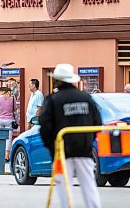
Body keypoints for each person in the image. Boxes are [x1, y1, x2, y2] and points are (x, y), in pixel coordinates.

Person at [40, 63, 102, 208]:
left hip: (61, 152)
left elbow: (45, 127)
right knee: (89, 187)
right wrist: (88, 141)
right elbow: (97, 123)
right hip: (84, 151)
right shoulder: (86, 98)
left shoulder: (53, 100)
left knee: (64, 189)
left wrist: (52, 149)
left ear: (58, 80)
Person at [0, 90, 15, 162]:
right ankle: (6, 157)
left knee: (0, 138)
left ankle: (0, 155)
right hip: (9, 120)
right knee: (8, 139)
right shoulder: (12, 98)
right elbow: (15, 109)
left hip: (0, 119)